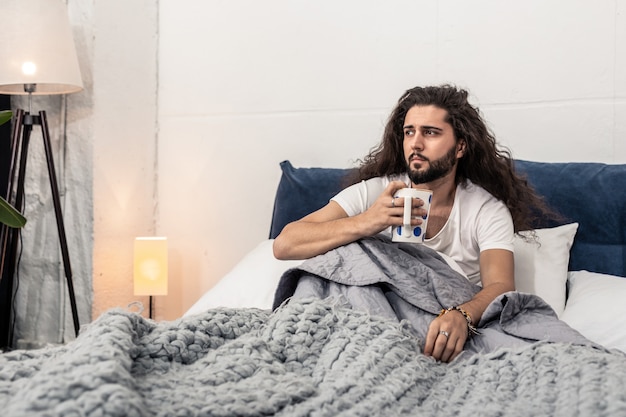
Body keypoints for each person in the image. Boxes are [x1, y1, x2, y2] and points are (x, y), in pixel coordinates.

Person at [273, 84, 554, 363]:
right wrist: (367, 222)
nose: (416, 143)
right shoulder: (375, 192)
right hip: (357, 321)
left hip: (433, 325)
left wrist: (462, 315)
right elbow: (286, 244)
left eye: (430, 132)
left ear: (460, 146)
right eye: (409, 132)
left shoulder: (486, 209)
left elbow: (501, 285)